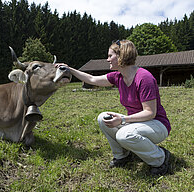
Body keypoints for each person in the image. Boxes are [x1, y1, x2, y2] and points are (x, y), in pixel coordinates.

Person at [56, 40, 171, 175]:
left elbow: (150, 112)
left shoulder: (144, 78)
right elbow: (92, 79)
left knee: (124, 135)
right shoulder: (118, 77)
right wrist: (69, 69)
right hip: (137, 123)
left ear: (121, 56)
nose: (107, 59)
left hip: (157, 125)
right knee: (103, 118)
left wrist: (122, 119)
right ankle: (122, 156)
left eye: (110, 56)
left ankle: (160, 158)